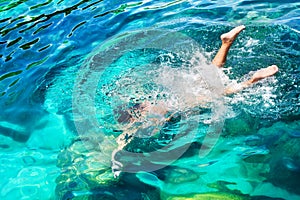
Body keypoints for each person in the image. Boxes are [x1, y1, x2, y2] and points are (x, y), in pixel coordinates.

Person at [111, 25, 279, 177]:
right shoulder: (145, 104)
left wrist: (116, 167)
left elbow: (119, 148)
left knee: (218, 93)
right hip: (173, 91)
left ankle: (250, 81)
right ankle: (226, 43)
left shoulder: (133, 128)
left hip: (181, 103)